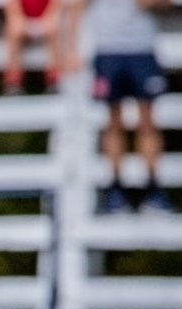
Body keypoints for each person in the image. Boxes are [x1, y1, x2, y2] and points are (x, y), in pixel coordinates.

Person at [87, 0, 173, 214]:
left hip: (141, 47)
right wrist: (70, 47)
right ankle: (115, 190)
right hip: (107, 47)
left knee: (148, 122)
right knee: (113, 122)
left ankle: (153, 189)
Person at [0, 0, 73, 93]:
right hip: (23, 19)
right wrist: (18, 17)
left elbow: (55, 4)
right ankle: (13, 78)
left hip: (45, 18)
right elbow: (12, 5)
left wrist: (49, 17)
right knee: (13, 28)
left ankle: (53, 78)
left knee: (53, 28)